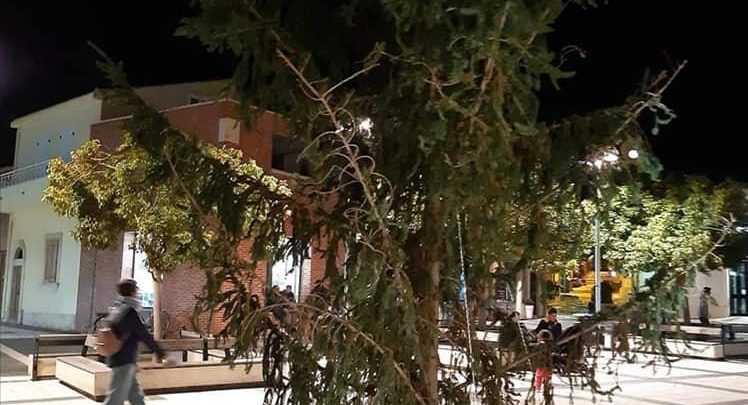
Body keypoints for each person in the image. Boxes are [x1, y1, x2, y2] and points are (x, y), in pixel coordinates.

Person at [103, 279, 167, 405]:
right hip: (124, 360)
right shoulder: (129, 312)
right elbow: (144, 335)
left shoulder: (117, 307)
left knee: (135, 396)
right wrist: (160, 353)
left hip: (119, 357)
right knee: (115, 399)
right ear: (133, 292)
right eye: (136, 290)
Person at [532, 330, 553, 394]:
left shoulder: (541, 344)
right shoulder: (549, 344)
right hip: (548, 365)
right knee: (546, 377)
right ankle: (546, 388)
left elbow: (536, 349)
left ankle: (538, 388)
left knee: (538, 376)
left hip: (541, 364)